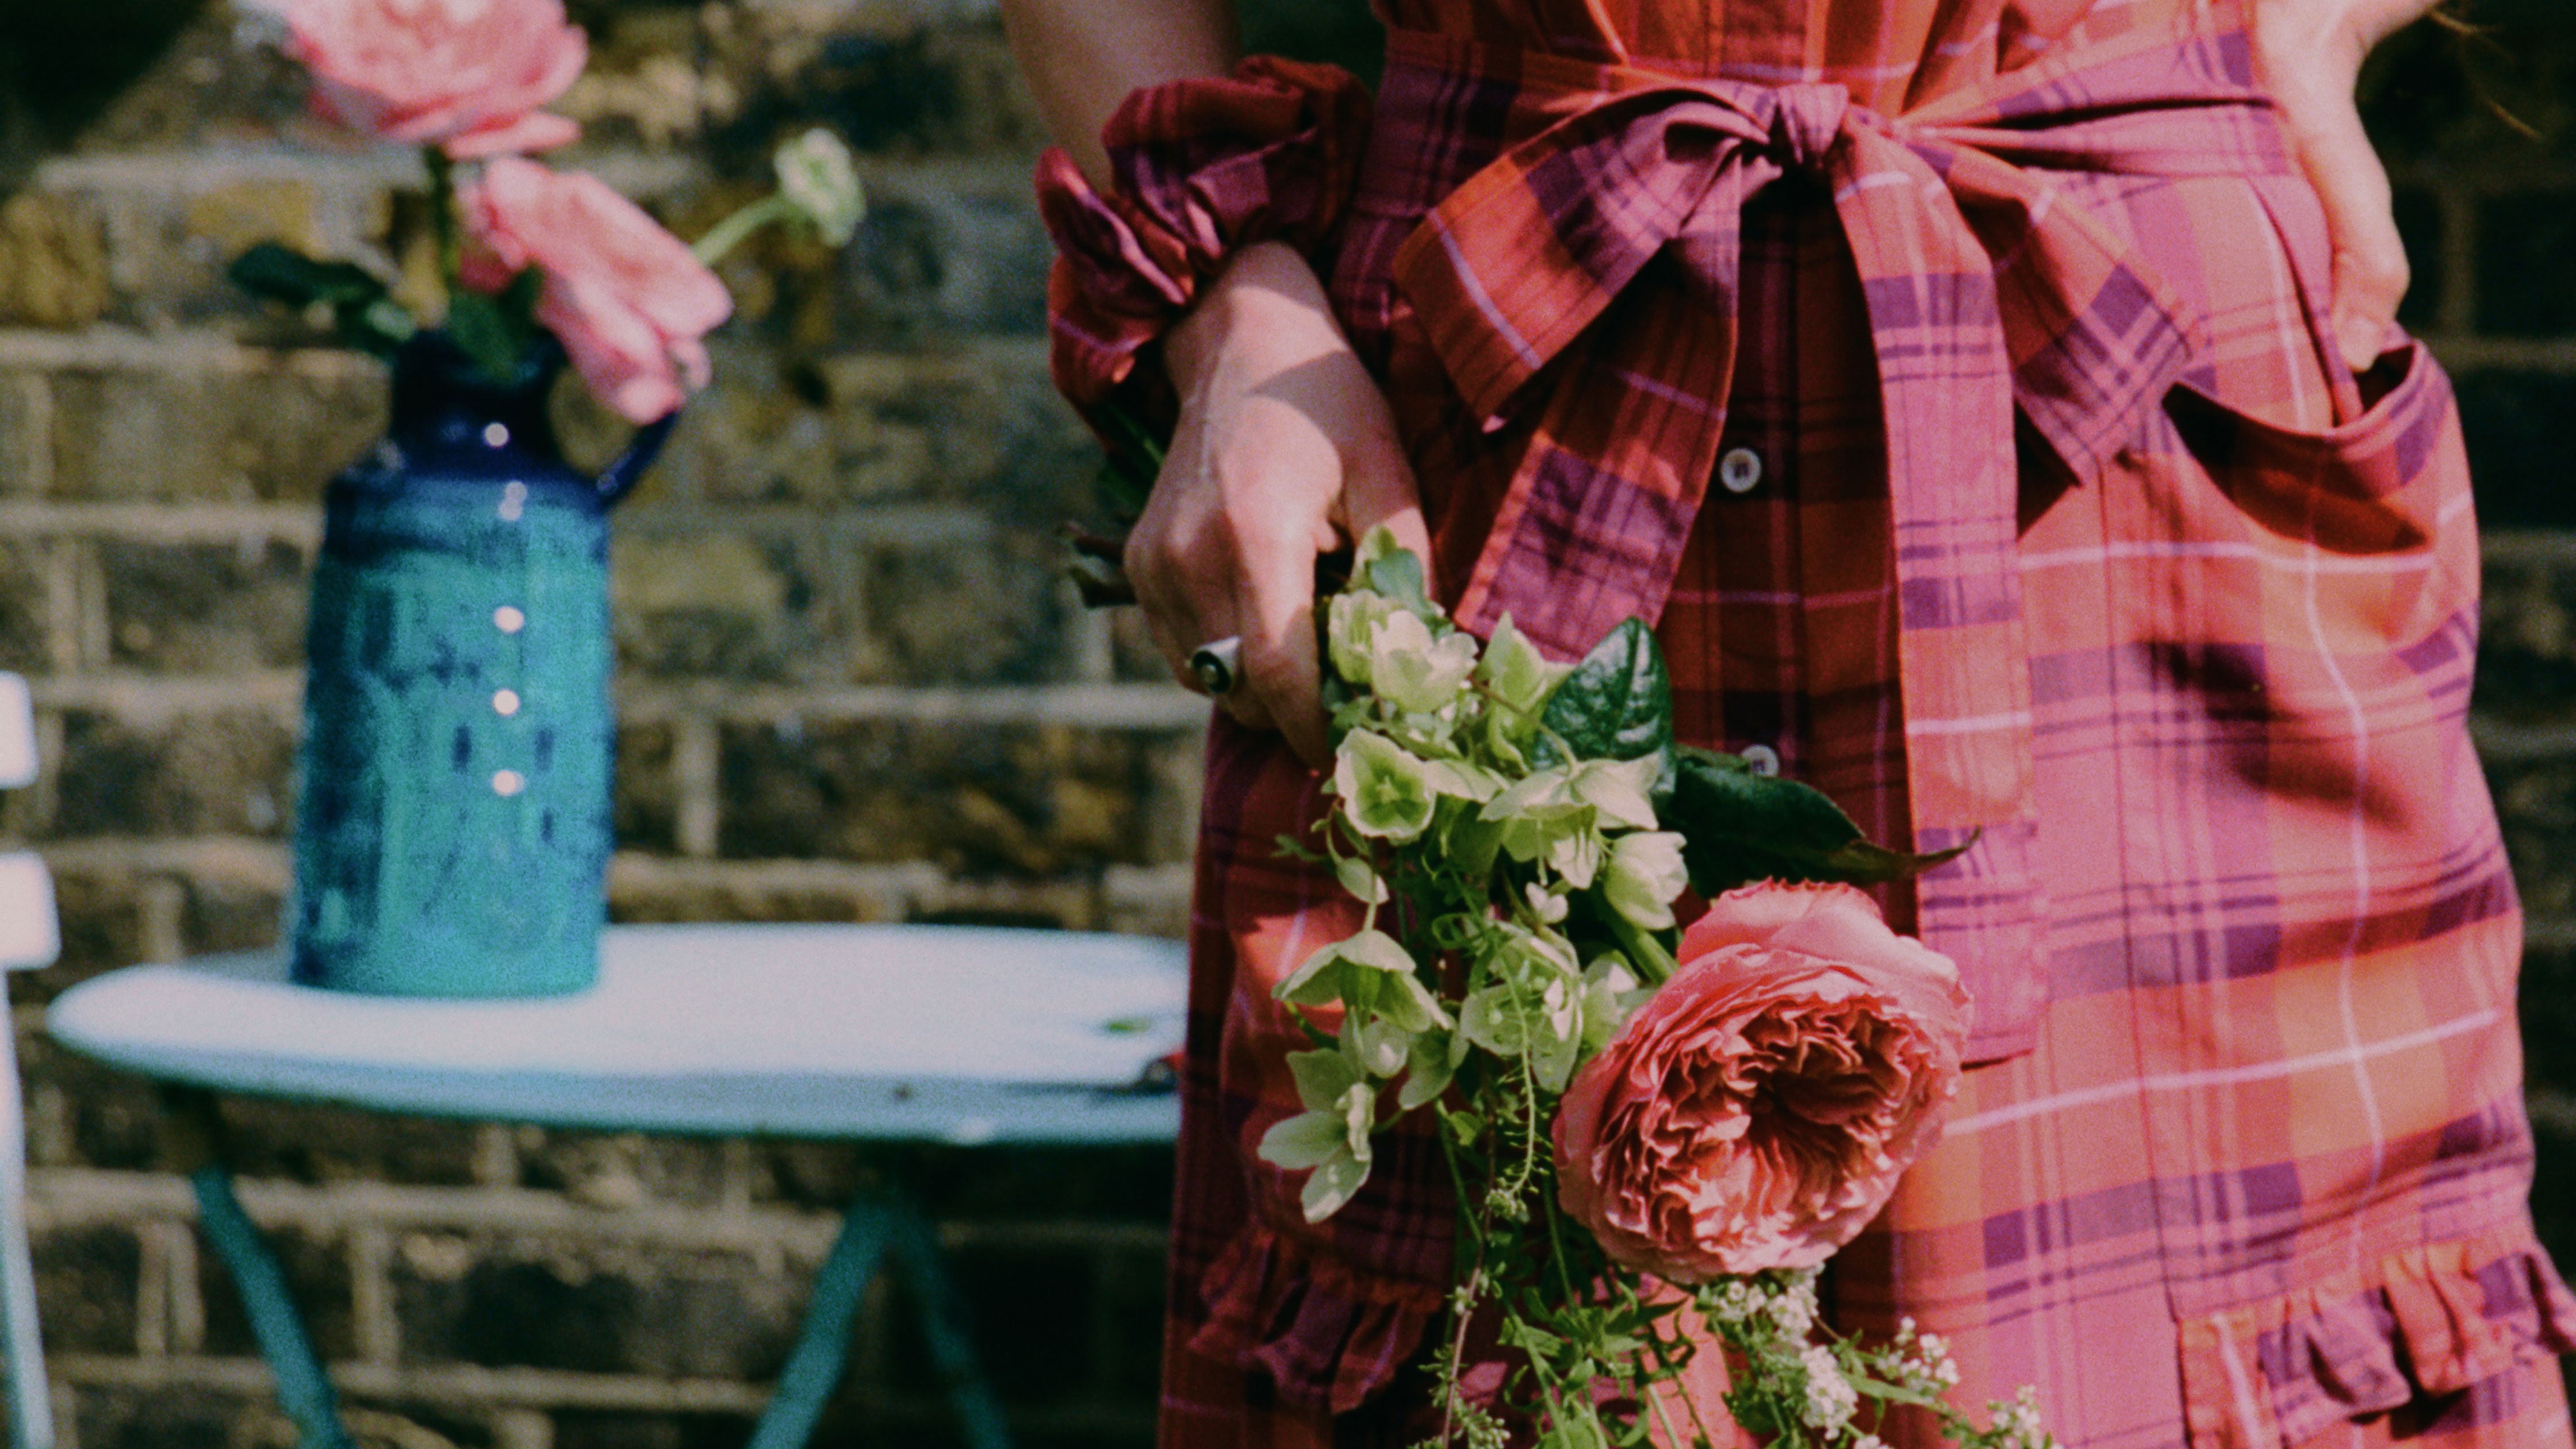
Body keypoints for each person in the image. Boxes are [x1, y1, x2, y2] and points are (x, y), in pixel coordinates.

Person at [1002, 0, 2576, 1445]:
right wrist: (1235, 317)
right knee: (1510, 1352)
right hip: (1511, 380)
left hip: (2127, 397)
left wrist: (2300, 32)